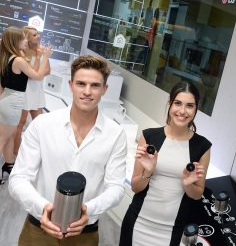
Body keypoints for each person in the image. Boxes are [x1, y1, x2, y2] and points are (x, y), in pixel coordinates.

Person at [8, 55, 127, 246]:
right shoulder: (42, 125)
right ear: (71, 85)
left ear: (105, 89)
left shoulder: (115, 134)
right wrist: (44, 208)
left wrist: (88, 210)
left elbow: (116, 187)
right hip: (38, 229)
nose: (87, 91)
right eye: (81, 84)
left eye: (95, 85)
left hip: (85, 234)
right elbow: (18, 178)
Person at [120, 81, 212, 246]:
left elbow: (197, 194)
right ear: (170, 105)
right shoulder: (149, 137)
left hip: (173, 231)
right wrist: (148, 172)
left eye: (189, 105)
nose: (182, 111)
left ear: (196, 109)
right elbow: (135, 187)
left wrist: (187, 184)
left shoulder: (202, 147)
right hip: (138, 223)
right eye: (178, 103)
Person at [0, 26, 52, 182]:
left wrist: (39, 57)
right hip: (13, 103)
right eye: (23, 38)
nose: (26, 41)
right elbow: (37, 76)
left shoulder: (8, 57)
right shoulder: (19, 60)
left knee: (8, 138)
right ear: (16, 41)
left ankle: (9, 165)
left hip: (8, 101)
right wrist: (46, 56)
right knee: (3, 139)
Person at [13, 26, 48, 155]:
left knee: (40, 124)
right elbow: (32, 74)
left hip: (37, 91)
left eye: (37, 34)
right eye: (34, 35)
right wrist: (39, 60)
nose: (38, 36)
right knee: (20, 124)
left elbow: (47, 70)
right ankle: (15, 153)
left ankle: (39, 153)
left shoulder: (41, 50)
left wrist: (38, 71)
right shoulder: (22, 52)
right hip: (25, 91)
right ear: (27, 38)